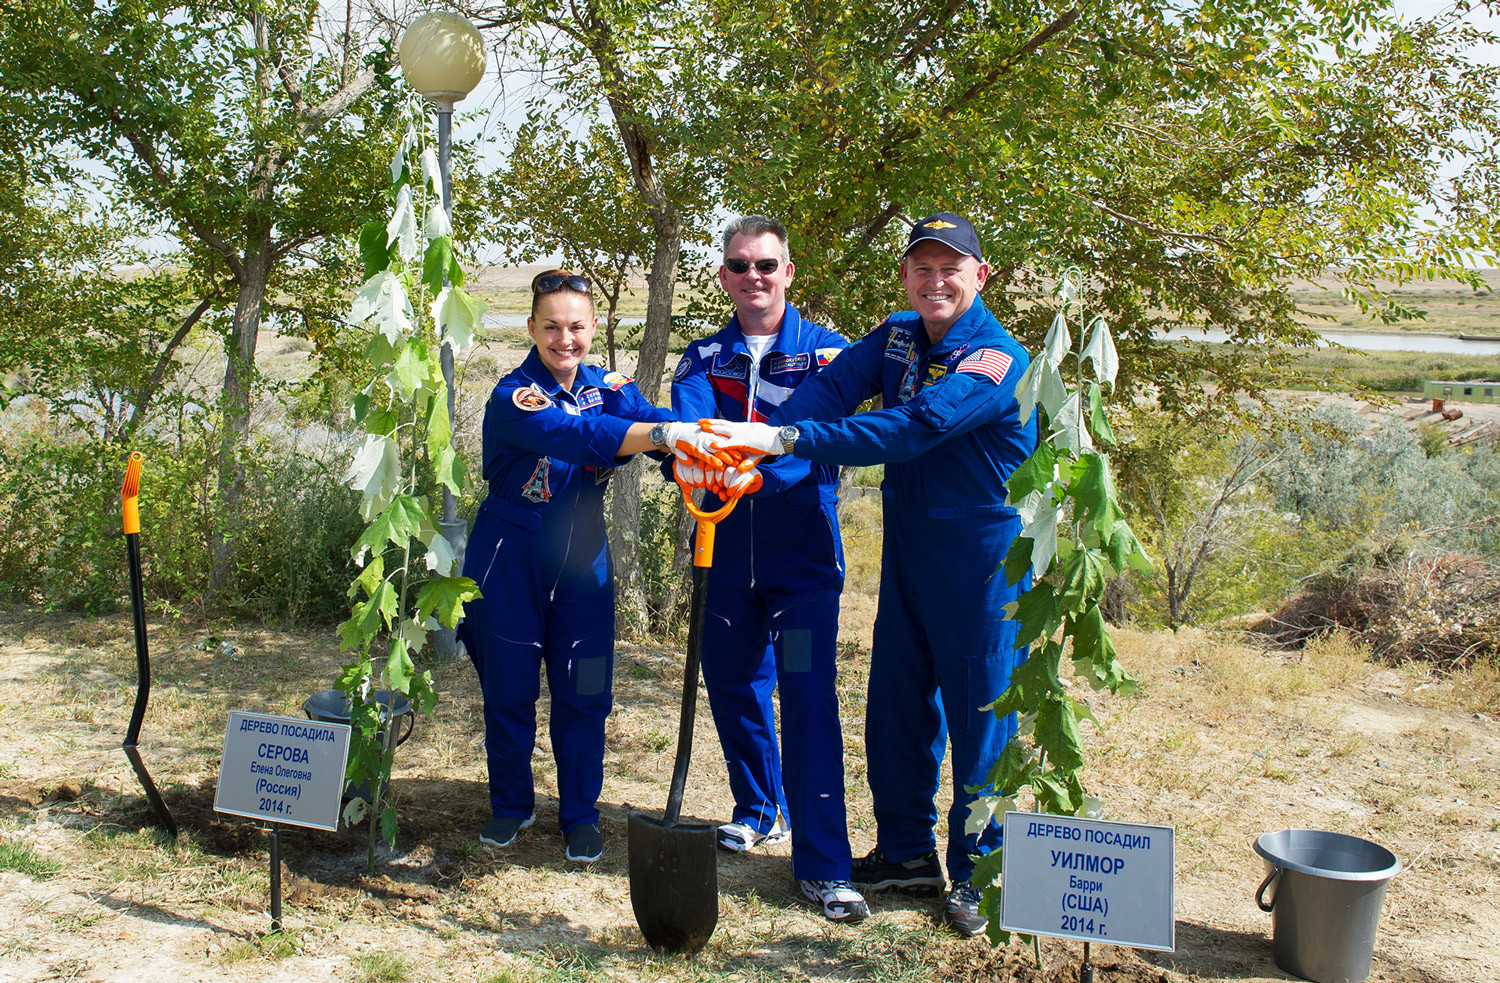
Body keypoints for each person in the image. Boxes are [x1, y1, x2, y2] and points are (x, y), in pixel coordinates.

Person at [707, 213, 1038, 936]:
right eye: (922, 267)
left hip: (983, 559)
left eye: (951, 267)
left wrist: (787, 435)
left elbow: (912, 428)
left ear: (981, 276)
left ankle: (983, 869)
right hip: (911, 551)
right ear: (906, 277)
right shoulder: (895, 334)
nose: (936, 280)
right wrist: (755, 457)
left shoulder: (995, 358)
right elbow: (828, 395)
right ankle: (906, 852)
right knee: (896, 704)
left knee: (982, 712)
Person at [457, 269, 721, 863]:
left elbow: (648, 416)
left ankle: (580, 812)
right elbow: (583, 437)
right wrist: (662, 432)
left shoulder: (609, 384)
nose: (564, 339)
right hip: (511, 553)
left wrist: (695, 440)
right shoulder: (514, 397)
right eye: (550, 327)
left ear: (593, 327)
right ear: (531, 327)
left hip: (583, 558)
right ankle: (510, 805)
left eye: (576, 326)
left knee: (587, 688)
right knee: (510, 688)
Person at [667, 216, 865, 923]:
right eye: (740, 265)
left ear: (789, 273)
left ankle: (824, 866)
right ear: (723, 276)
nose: (754, 277)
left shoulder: (830, 355)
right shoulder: (701, 356)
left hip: (801, 554)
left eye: (767, 265)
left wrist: (753, 468)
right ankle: (758, 807)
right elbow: (691, 433)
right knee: (731, 683)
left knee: (808, 699)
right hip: (720, 549)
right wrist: (700, 456)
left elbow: (828, 438)